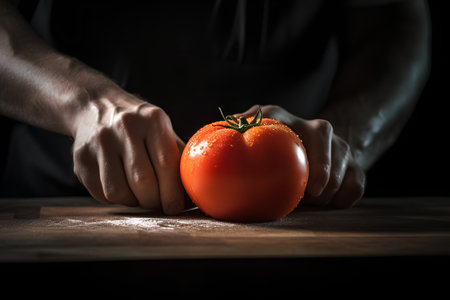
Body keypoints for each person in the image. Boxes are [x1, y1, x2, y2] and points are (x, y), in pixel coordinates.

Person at [0, 0, 431, 214]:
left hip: (302, 213)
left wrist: (343, 142)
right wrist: (84, 102)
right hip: (56, 196)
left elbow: (395, 22)